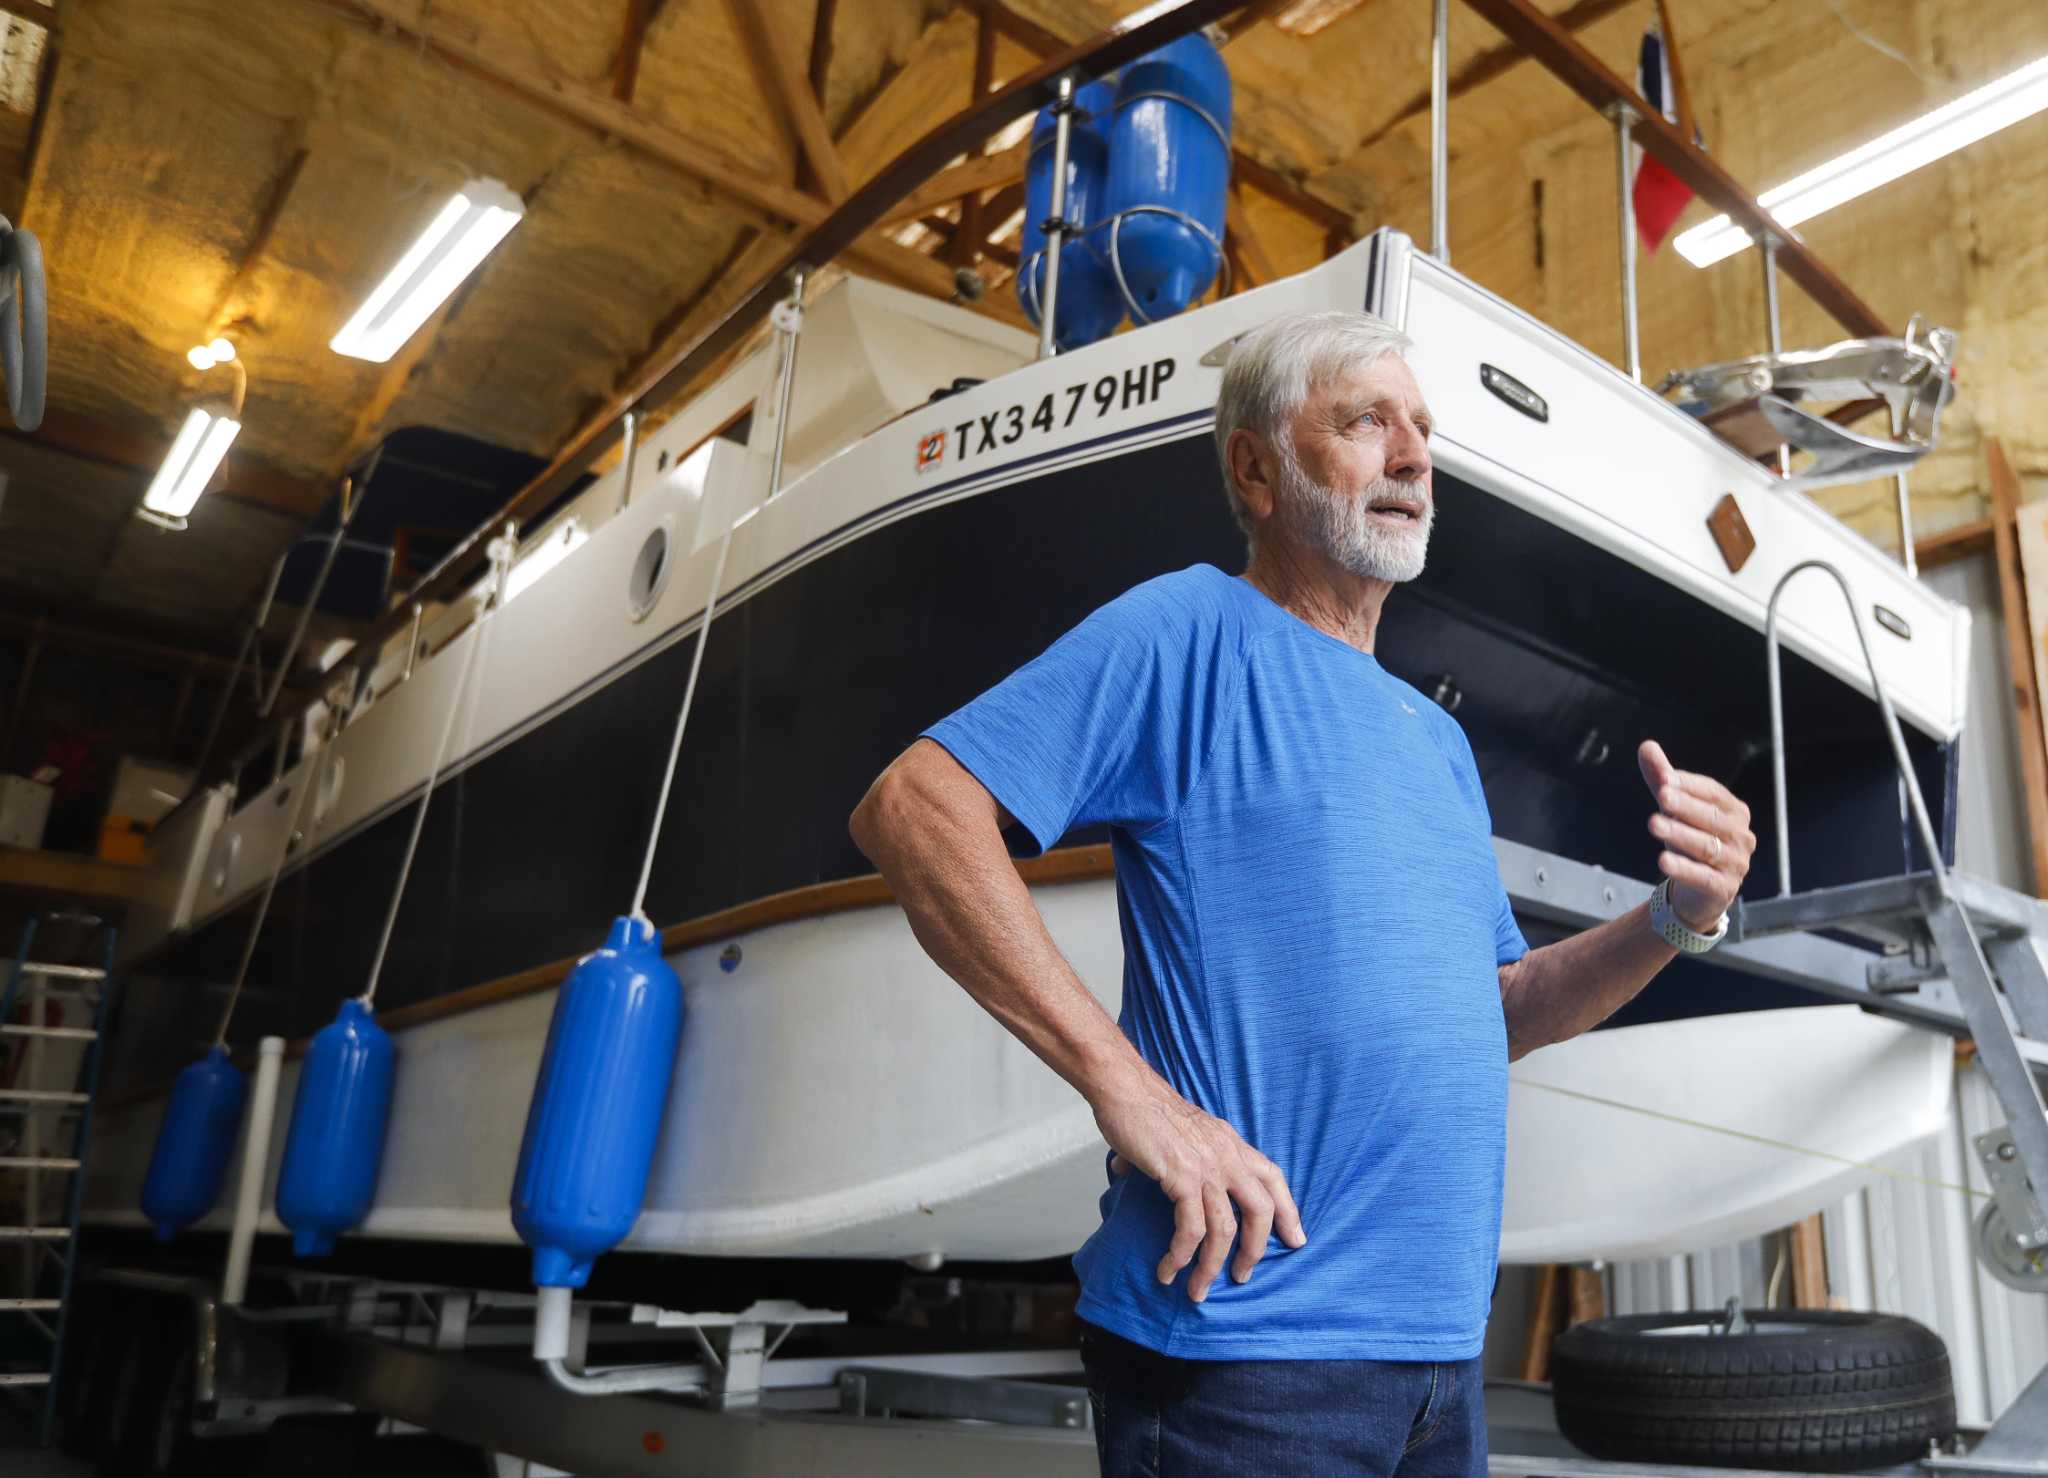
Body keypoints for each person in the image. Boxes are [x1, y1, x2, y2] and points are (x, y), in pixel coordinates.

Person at [848, 309, 1754, 1476]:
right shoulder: (1189, 629)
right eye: (1365, 420)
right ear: (1256, 466)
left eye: (1421, 430)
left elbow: (1506, 1003)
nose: (1414, 456)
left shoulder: (1430, 736)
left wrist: (1675, 917)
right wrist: (1132, 1095)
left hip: (1434, 1357)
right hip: (1243, 1355)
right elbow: (915, 808)